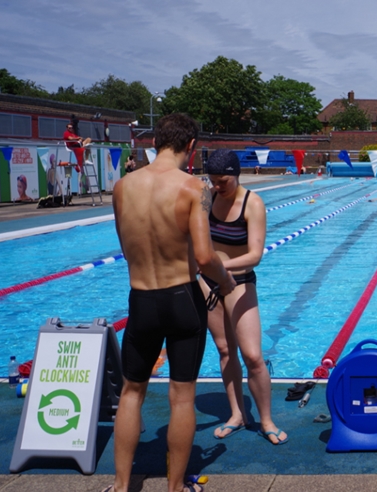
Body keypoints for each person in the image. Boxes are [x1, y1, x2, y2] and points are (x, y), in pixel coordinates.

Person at [108, 113, 235, 492]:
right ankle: (176, 487)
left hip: (141, 299)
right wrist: (225, 282)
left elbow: (127, 247)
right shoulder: (193, 188)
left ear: (156, 142)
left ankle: (120, 485)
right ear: (191, 147)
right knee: (182, 398)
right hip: (181, 298)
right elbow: (205, 255)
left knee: (131, 393)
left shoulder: (122, 187)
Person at [199, 150, 287, 446]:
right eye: (213, 180)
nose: (217, 186)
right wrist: (204, 273)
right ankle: (237, 414)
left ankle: (266, 419)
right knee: (225, 351)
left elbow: (255, 255)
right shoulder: (206, 198)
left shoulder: (253, 203)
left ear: (236, 174)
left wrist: (216, 266)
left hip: (239, 282)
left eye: (222, 181)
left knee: (253, 356)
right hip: (208, 283)